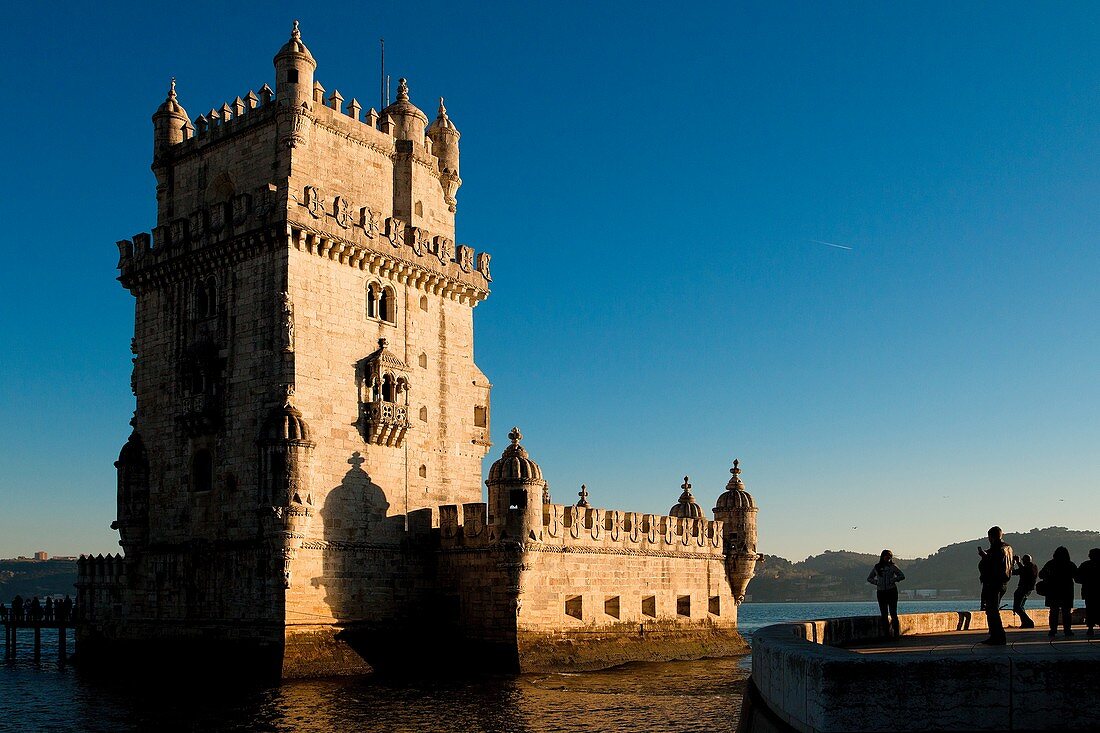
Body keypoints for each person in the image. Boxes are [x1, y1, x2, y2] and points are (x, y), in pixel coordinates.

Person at [977, 526, 1013, 645]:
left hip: (993, 582)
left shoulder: (997, 549)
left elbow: (994, 564)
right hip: (1003, 582)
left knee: (992, 610)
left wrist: (984, 556)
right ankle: (996, 635)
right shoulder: (1009, 548)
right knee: (993, 609)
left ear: (991, 537)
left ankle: (997, 636)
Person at [1039, 546, 1077, 638]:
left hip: (1052, 590)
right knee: (1067, 612)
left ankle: (1053, 630)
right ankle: (1067, 630)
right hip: (1066, 591)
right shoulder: (1070, 564)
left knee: (1053, 611)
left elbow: (1041, 575)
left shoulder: (1050, 564)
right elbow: (1077, 576)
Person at [867, 549, 905, 638]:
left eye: (889, 556)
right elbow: (869, 578)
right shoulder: (877, 567)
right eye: (886, 556)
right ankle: (886, 634)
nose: (888, 558)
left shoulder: (893, 566)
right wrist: (876, 582)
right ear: (882, 556)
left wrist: (893, 580)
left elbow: (902, 576)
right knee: (884, 614)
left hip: (891, 591)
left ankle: (896, 634)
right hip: (881, 592)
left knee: (893, 613)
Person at [1073, 548, 1100, 638]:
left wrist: (1085, 581)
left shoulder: (1085, 565)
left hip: (1088, 591)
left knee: (1090, 609)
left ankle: (1090, 628)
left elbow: (1076, 578)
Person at [1011, 553, 1039, 628]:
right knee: (1021, 606)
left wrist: (1015, 563)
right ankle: (1024, 623)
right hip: (1027, 590)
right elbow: (1020, 571)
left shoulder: (1028, 568)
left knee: (1017, 607)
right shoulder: (1034, 567)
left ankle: (1029, 622)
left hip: (1023, 588)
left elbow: (1016, 572)